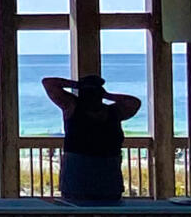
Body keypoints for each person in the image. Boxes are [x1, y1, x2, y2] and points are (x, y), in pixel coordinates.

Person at [43, 73, 141, 204]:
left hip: (103, 179)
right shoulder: (76, 107)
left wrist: (80, 86)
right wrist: (105, 94)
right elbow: (48, 82)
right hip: (84, 178)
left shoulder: (73, 106)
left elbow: (49, 83)